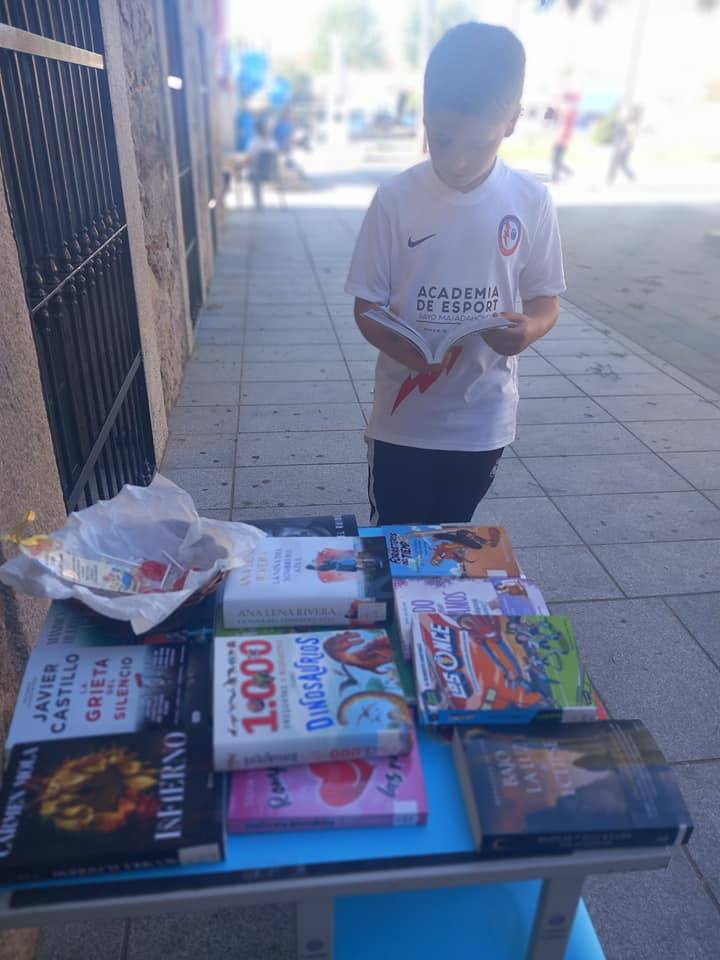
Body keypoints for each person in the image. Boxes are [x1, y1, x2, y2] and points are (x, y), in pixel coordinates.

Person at [344, 22, 565, 525]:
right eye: (441, 139)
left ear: (511, 123)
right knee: (395, 540)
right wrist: (409, 351)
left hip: (482, 420)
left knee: (453, 535)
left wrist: (528, 330)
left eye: (477, 144)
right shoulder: (396, 198)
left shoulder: (530, 201)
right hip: (403, 420)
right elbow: (366, 306)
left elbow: (546, 300)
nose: (457, 158)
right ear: (423, 115)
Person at [245, 117, 277, 209]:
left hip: (257, 172)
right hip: (271, 172)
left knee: (252, 176)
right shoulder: (272, 142)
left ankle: (258, 202)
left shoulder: (254, 142)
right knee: (255, 170)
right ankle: (259, 202)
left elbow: (249, 158)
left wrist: (244, 165)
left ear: (256, 130)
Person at [607, 104, 641, 184]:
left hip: (623, 144)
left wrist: (625, 144)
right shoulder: (625, 120)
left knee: (615, 162)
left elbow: (631, 134)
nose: (628, 112)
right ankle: (631, 176)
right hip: (620, 143)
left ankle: (610, 179)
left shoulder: (631, 121)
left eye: (630, 111)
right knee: (622, 163)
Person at [551, 91, 580, 182]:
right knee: (556, 159)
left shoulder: (570, 111)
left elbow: (564, 124)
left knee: (556, 159)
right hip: (562, 137)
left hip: (563, 138)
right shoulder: (569, 111)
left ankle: (559, 177)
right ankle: (558, 177)